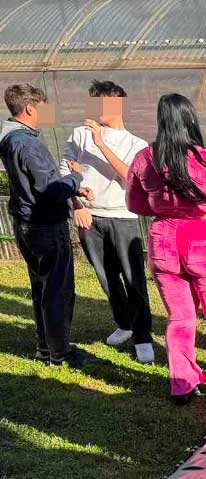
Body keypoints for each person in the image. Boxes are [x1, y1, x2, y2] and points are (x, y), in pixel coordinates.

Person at [126, 93, 206, 405]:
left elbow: (135, 204)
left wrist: (169, 211)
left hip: (165, 246)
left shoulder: (145, 159)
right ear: (190, 120)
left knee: (180, 319)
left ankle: (182, 384)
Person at [0, 83, 93, 367]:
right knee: (58, 289)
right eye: (42, 107)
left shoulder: (11, 139)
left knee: (42, 287)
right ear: (30, 108)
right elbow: (49, 189)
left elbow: (35, 185)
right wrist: (75, 179)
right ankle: (60, 353)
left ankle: (45, 348)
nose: (46, 113)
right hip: (45, 226)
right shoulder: (27, 144)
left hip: (27, 223)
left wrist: (72, 191)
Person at [60, 80, 153, 363]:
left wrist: (101, 143)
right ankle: (124, 323)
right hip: (89, 216)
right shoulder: (79, 134)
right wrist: (76, 202)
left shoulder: (136, 144)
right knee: (106, 276)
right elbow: (65, 169)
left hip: (122, 217)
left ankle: (142, 336)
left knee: (133, 277)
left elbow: (130, 179)